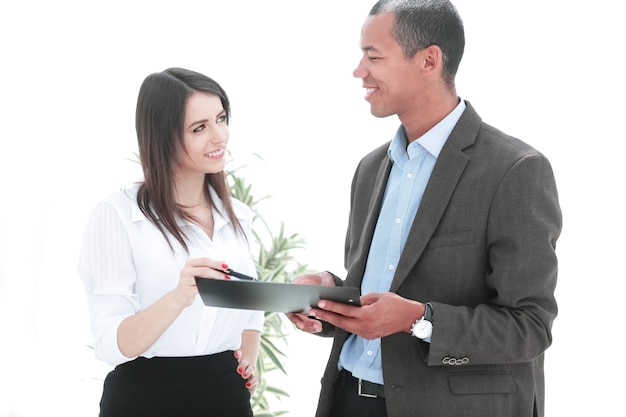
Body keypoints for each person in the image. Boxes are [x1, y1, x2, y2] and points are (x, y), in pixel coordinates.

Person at [286, 1, 562, 417]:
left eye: (373, 56)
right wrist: (326, 297)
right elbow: (376, 297)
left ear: (429, 60)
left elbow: (529, 326)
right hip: (346, 398)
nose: (359, 71)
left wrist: (418, 320)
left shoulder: (514, 170)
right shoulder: (371, 168)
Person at [78, 67, 263, 417]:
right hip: (146, 398)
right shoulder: (117, 215)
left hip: (225, 395)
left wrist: (247, 361)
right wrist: (180, 296)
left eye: (221, 119)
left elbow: (249, 311)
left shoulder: (238, 215)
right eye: (200, 128)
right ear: (163, 137)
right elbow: (111, 343)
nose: (219, 136)